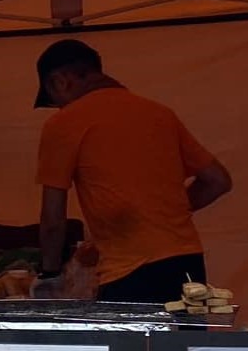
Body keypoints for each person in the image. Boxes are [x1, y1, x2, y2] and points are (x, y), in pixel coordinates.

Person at [33, 39, 232, 303]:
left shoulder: (64, 123)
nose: (58, 107)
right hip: (187, 264)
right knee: (181, 344)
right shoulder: (160, 114)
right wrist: (161, 214)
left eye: (54, 100)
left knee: (130, 346)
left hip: (129, 273)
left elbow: (53, 221)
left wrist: (50, 274)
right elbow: (217, 180)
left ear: (60, 81)